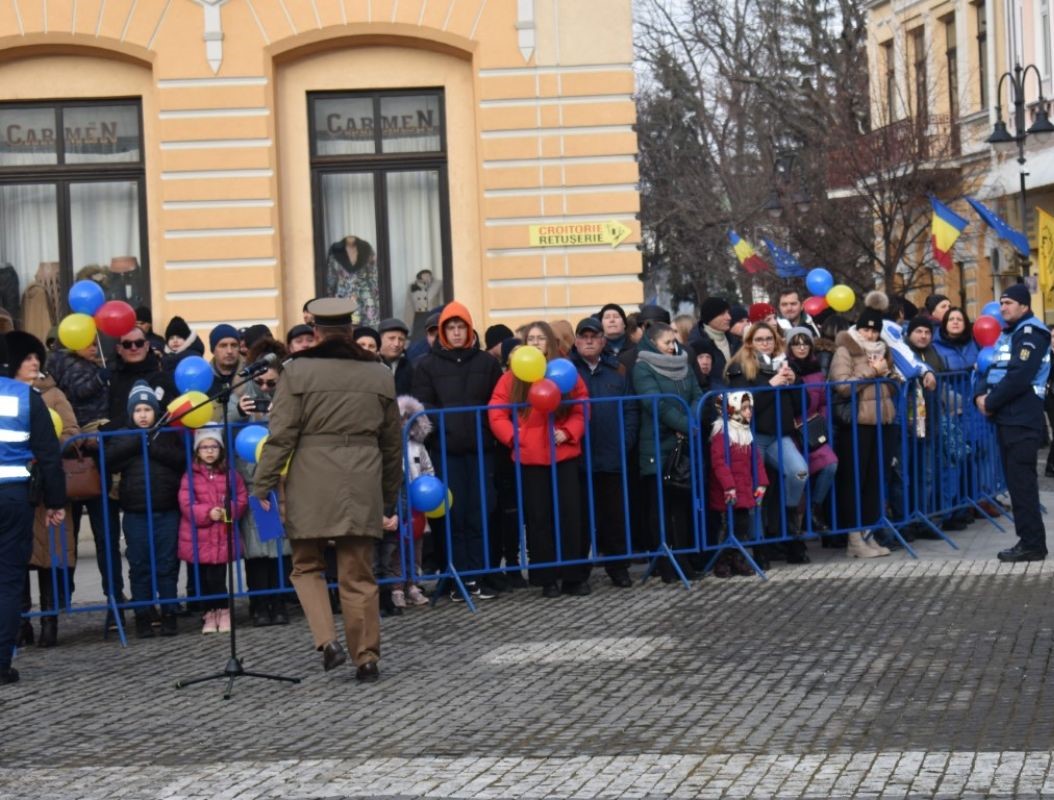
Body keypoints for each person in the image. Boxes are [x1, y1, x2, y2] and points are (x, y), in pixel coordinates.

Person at [254, 298, 401, 681]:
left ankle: (327, 641)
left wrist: (262, 484)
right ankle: (366, 657)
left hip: (311, 479)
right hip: (362, 479)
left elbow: (281, 435)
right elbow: (392, 443)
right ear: (351, 331)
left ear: (315, 332)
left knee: (306, 567)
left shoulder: (297, 371)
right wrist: (388, 493)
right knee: (359, 575)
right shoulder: (380, 374)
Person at [488, 322, 589, 598]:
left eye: (540, 338)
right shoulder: (513, 376)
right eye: (530, 338)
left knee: (570, 514)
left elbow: (581, 406)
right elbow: (496, 412)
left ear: (550, 343)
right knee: (538, 517)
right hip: (530, 456)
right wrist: (514, 437)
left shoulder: (564, 370)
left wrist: (568, 432)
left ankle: (573, 575)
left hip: (564, 452)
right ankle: (546, 578)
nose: (535, 343)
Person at [412, 301, 503, 600]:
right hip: (445, 451)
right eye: (450, 327)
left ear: (469, 329)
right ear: (441, 331)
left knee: (481, 511)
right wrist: (443, 430)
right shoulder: (426, 364)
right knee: (452, 514)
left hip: (480, 450)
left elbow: (496, 404)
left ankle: (480, 573)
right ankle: (455, 576)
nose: (455, 332)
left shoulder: (486, 363)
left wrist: (485, 432)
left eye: (460, 326)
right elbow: (424, 406)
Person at [0, 333, 65, 685]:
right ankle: (1, 663)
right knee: (8, 581)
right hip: (11, 497)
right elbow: (49, 454)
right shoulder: (26, 397)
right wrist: (55, 502)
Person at [8, 332, 78, 647]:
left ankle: (50, 620)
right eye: (27, 358)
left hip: (42, 490)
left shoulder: (51, 394)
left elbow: (69, 435)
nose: (34, 363)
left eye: (37, 358)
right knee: (16, 565)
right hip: (22, 491)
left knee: (48, 559)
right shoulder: (20, 396)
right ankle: (21, 624)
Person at [975, 283, 1051, 562]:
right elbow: (992, 367)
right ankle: (1028, 540)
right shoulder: (1009, 335)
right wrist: (978, 397)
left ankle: (1032, 543)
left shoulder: (1032, 334)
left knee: (1022, 483)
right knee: (1016, 481)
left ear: (1024, 306)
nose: (1003, 307)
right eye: (1001, 302)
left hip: (1021, 417)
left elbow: (1020, 376)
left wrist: (990, 402)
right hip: (1008, 416)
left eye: (1008, 303)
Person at [105, 381, 185, 638]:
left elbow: (179, 460)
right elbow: (109, 459)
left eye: (147, 410)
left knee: (167, 563)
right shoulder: (121, 435)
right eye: (137, 410)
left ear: (155, 412)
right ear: (131, 413)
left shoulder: (167, 434)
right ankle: (142, 614)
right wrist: (138, 442)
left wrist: (151, 444)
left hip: (166, 509)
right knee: (139, 564)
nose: (142, 414)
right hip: (136, 511)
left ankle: (170, 612)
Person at [725, 322, 810, 565]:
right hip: (753, 438)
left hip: (780, 435)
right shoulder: (740, 367)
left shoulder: (785, 364)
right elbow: (740, 409)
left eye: (769, 339)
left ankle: (789, 527)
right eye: (760, 339)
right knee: (757, 489)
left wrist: (795, 382)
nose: (766, 343)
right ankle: (758, 543)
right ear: (750, 342)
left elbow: (801, 404)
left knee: (799, 472)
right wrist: (770, 385)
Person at [570, 316, 639, 588]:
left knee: (614, 517)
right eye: (583, 336)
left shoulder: (618, 370)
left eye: (593, 336)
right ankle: (579, 572)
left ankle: (618, 568)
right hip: (579, 458)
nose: (588, 341)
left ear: (602, 340)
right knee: (581, 519)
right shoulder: (566, 370)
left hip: (612, 455)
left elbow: (631, 409)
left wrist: (626, 441)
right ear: (576, 341)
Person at [633, 321, 703, 582]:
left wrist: (691, 423)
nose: (673, 347)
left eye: (674, 342)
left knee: (680, 504)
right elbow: (657, 404)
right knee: (659, 506)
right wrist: (686, 424)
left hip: (684, 443)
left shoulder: (684, 363)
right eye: (666, 343)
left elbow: (697, 394)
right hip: (657, 444)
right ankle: (665, 562)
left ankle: (683, 557)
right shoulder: (643, 368)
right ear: (653, 343)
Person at [829, 307, 899, 559]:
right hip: (857, 424)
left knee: (874, 481)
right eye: (865, 329)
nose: (869, 335)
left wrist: (889, 375)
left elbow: (893, 385)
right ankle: (853, 538)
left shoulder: (884, 352)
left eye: (874, 330)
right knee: (854, 481)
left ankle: (868, 535)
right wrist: (873, 372)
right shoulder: (845, 349)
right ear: (857, 329)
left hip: (883, 421)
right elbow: (842, 385)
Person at [231, 339, 292, 626]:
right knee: (257, 547)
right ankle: (259, 603)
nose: (265, 389)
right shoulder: (240, 391)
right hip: (252, 475)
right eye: (262, 383)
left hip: (282, 476)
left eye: (271, 383)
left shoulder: (289, 394)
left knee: (280, 544)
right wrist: (239, 413)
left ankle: (280, 602)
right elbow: (223, 428)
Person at [177, 426, 247, 635]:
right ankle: (209, 612)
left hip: (221, 536)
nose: (209, 451)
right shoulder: (189, 475)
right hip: (199, 536)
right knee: (203, 579)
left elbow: (241, 498)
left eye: (213, 447)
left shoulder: (231, 475)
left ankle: (223, 610)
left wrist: (229, 511)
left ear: (220, 449)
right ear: (197, 451)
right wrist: (208, 513)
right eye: (204, 447)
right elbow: (186, 502)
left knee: (217, 577)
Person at [784, 328, 839, 535]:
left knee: (830, 464)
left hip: (813, 430)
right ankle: (794, 529)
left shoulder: (817, 372)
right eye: (797, 343)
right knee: (798, 476)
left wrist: (820, 421)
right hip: (791, 431)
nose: (801, 347)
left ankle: (814, 509)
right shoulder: (785, 369)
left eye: (805, 343)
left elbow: (824, 401)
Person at [708, 392, 767, 578]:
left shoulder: (746, 433)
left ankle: (738, 559)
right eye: (744, 408)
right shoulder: (722, 433)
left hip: (744, 489)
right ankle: (722, 561)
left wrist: (761, 483)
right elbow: (718, 462)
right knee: (726, 528)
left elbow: (756, 461)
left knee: (742, 526)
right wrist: (729, 486)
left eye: (749, 407)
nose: (749, 411)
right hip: (727, 492)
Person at [391, 395, 434, 608]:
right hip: (397, 503)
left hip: (417, 504)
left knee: (416, 546)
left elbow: (428, 469)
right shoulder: (390, 448)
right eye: (401, 418)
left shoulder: (418, 447)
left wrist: (427, 483)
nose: (404, 423)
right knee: (398, 547)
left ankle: (413, 584)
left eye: (408, 418)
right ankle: (397, 587)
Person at [327, 235, 381, 327]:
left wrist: (376, 299)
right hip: (343, 297)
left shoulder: (366, 249)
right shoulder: (335, 250)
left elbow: (373, 276)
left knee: (367, 332)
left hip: (365, 297)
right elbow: (331, 278)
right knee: (344, 331)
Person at [688, 297, 740, 388]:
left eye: (728, 313)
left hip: (738, 395)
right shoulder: (695, 343)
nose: (729, 317)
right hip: (712, 397)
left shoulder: (735, 340)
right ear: (710, 317)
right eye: (723, 313)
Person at [378, 318, 414, 396]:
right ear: (379, 340)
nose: (397, 344)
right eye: (391, 338)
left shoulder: (411, 367)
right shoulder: (371, 365)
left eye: (401, 339)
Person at [208, 324, 243, 396]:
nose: (229, 351)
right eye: (223, 346)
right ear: (213, 350)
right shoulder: (204, 377)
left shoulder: (251, 374)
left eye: (234, 345)